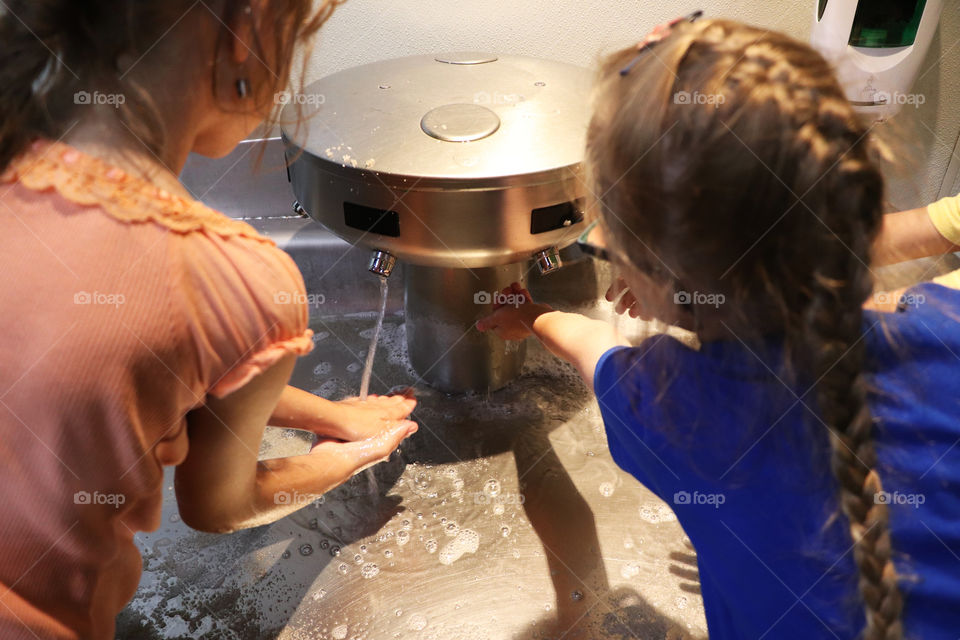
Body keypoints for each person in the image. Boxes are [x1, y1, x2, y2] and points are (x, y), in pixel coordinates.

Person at [479, 17, 960, 640]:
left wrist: (529, 314)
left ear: (642, 271)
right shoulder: (941, 324)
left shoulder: (673, 409)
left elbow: (590, 345)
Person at [0, 2, 417, 638]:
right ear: (247, 31)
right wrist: (358, 452)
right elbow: (221, 507)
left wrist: (330, 416)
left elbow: (145, 368)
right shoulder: (236, 280)